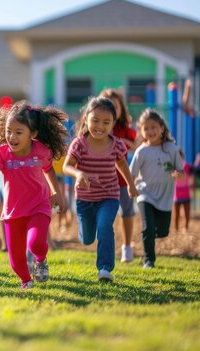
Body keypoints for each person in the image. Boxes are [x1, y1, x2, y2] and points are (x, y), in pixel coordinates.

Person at [0, 101, 68, 290]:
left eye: (18, 132)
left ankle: (41, 260)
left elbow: (49, 170)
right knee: (16, 262)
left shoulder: (40, 151)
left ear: (32, 134)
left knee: (36, 244)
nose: (12, 137)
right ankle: (26, 281)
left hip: (39, 206)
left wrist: (56, 193)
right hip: (13, 212)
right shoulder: (2, 154)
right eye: (9, 131)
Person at [63, 97, 137, 282]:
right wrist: (79, 174)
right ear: (86, 118)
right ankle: (86, 232)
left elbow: (122, 164)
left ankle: (105, 269)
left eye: (106, 122)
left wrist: (130, 184)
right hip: (85, 198)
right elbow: (66, 166)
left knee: (105, 227)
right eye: (95, 120)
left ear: (113, 123)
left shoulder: (117, 144)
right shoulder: (79, 144)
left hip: (109, 196)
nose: (100, 126)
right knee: (88, 238)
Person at [130, 109, 184, 269]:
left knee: (162, 232)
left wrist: (178, 174)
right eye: (146, 128)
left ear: (162, 128)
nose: (150, 131)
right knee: (147, 227)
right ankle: (149, 260)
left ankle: (149, 238)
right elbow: (131, 173)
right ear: (141, 131)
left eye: (153, 127)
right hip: (144, 195)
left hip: (165, 198)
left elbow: (180, 171)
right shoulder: (141, 151)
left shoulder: (171, 149)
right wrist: (131, 188)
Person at [99, 88, 139, 263]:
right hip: (102, 179)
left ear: (121, 108)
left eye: (114, 106)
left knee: (127, 212)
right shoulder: (98, 128)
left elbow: (138, 146)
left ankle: (127, 247)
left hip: (122, 179)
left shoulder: (124, 129)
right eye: (106, 105)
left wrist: (125, 142)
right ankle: (106, 246)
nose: (111, 109)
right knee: (104, 215)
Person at [173, 150, 193, 233]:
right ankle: (176, 228)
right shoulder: (173, 168)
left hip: (186, 193)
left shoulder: (187, 167)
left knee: (187, 212)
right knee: (176, 213)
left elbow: (192, 175)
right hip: (177, 194)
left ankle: (186, 227)